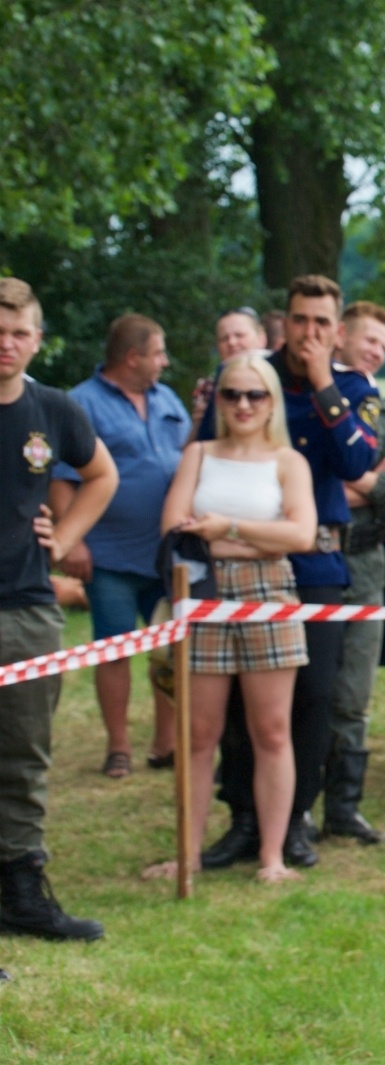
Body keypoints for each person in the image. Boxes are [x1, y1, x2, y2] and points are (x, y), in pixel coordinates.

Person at [197, 275, 380, 872]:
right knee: (234, 704)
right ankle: (242, 819)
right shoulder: (250, 382)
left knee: (314, 697)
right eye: (300, 321)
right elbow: (206, 451)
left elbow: (358, 460)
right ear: (286, 321)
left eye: (322, 324)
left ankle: (295, 817)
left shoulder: (351, 387)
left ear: (338, 330)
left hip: (316, 559)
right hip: (243, 561)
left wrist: (325, 382)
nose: (309, 334)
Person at [157, 355, 317, 883]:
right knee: (199, 734)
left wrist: (227, 529)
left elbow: (301, 536)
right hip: (201, 593)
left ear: (272, 401)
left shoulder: (288, 461)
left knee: (271, 730)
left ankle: (272, 857)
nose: (243, 405)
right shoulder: (198, 454)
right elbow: (175, 531)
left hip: (269, 593)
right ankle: (189, 854)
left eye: (255, 395)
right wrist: (255, 534)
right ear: (217, 400)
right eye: (232, 394)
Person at [0, 277, 118, 940]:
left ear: (38, 339)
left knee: (23, 755)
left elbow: (102, 473)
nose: (7, 344)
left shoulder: (53, 410)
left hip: (26, 609)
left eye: (20, 333)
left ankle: (19, 889)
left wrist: (65, 542)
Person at [51, 314, 190, 779]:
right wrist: (75, 540)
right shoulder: (80, 403)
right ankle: (118, 747)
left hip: (167, 555)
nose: (165, 361)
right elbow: (61, 476)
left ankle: (167, 743)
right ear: (133, 358)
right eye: (159, 353)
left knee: (170, 651)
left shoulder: (166, 398)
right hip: (109, 555)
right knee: (113, 648)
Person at [327, 300, 385, 841]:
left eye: (384, 345)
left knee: (354, 693)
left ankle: (343, 809)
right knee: (308, 689)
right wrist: (372, 478)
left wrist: (357, 483)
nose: (378, 351)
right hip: (312, 559)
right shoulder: (310, 402)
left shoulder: (381, 409)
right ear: (339, 336)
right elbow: (310, 484)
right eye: (369, 340)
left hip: (366, 564)